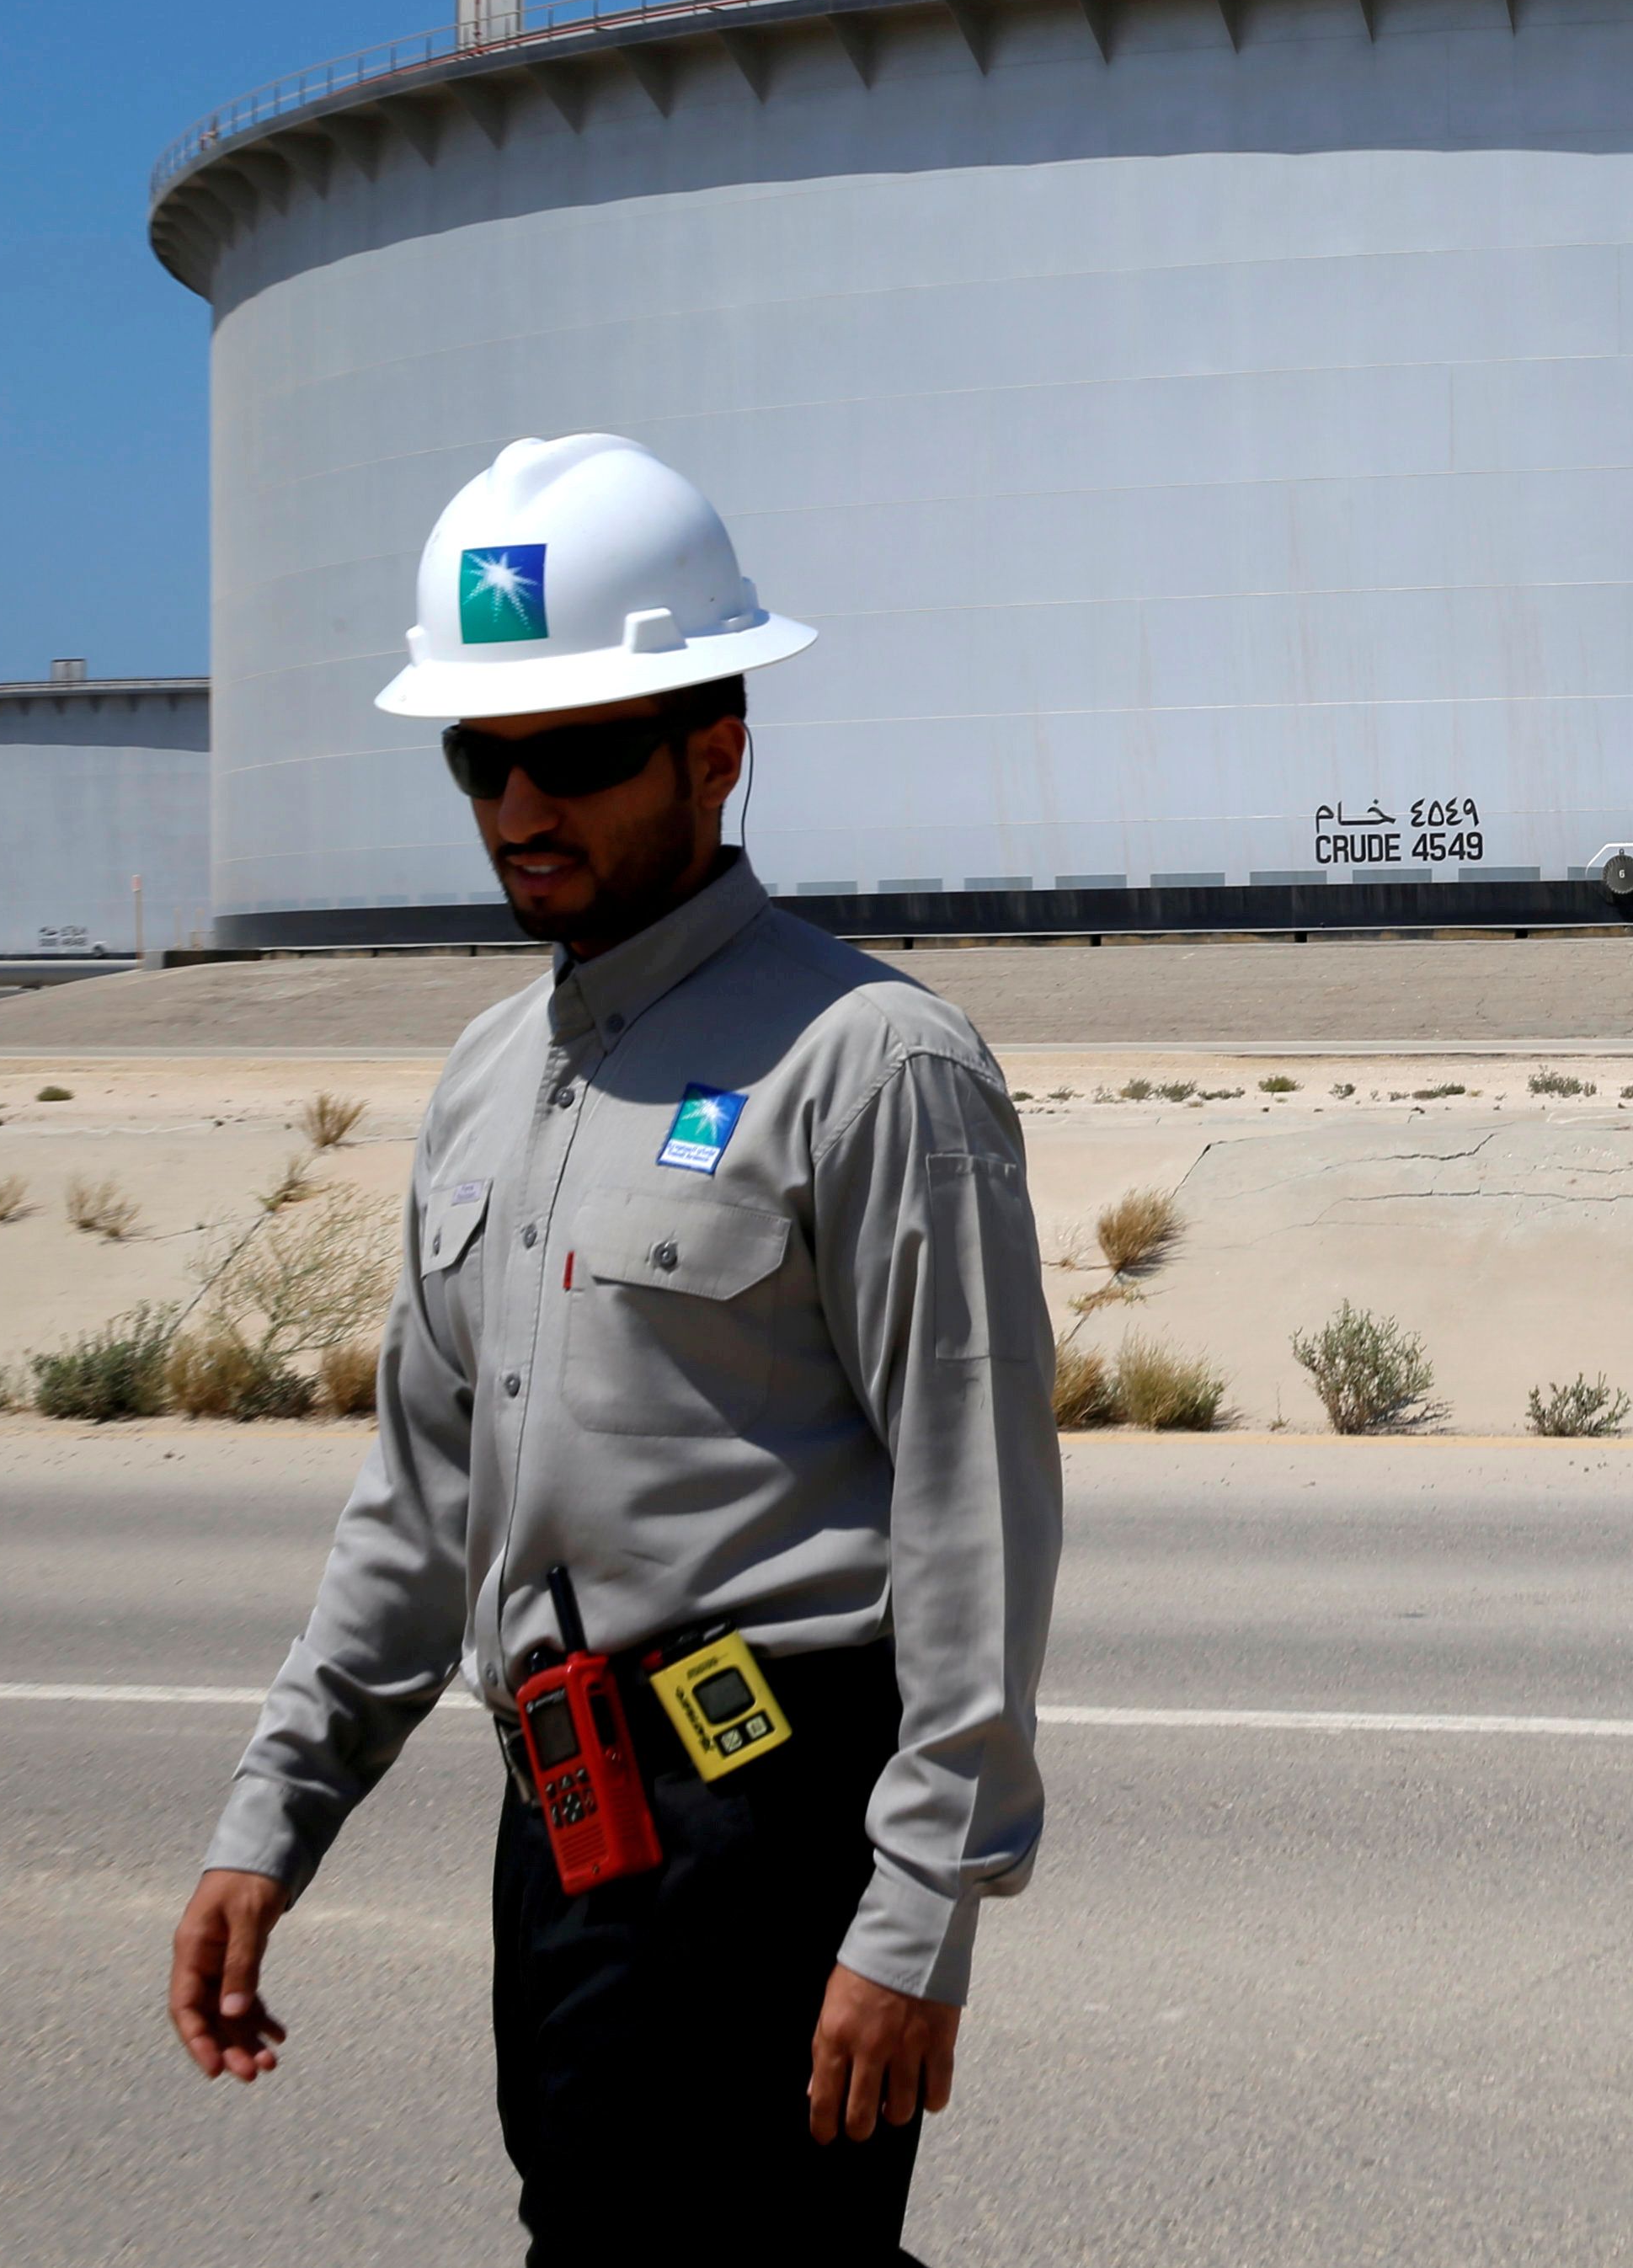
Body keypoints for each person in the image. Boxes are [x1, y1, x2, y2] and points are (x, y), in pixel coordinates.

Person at [164, 434, 1063, 2263]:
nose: (517, 804)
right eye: (479, 755)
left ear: (714, 749)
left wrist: (914, 1917)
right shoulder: (490, 1079)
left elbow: (974, 1521)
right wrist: (278, 1809)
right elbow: (421, 1497)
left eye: (572, 750)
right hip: (565, 1811)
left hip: (771, 1814)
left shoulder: (870, 1061)